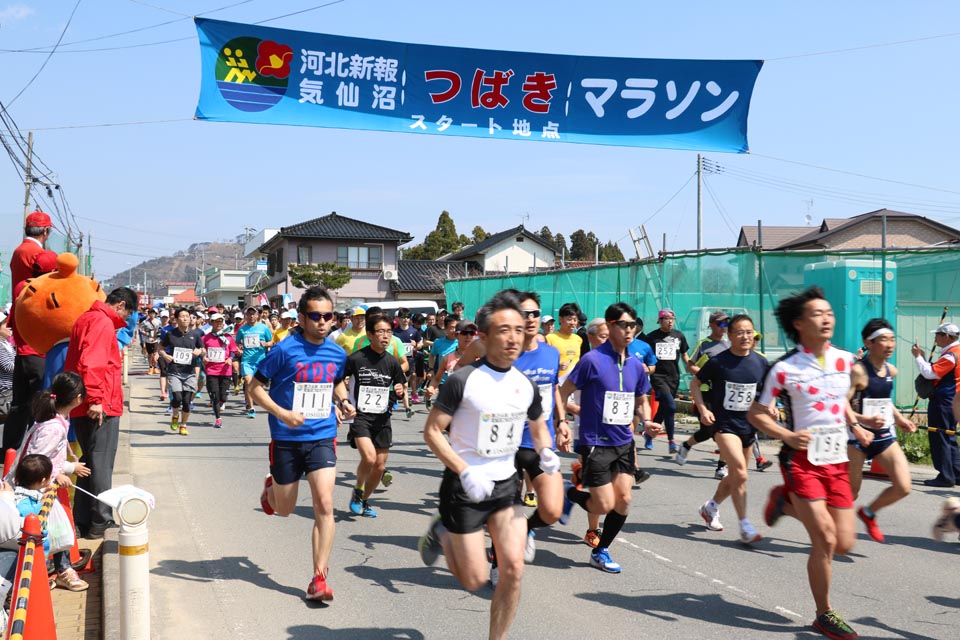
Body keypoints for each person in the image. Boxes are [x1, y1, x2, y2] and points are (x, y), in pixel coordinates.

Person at [418, 291, 556, 640]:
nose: (514, 337)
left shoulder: (524, 384)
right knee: (475, 579)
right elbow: (432, 432)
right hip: (464, 488)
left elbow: (538, 425)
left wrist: (546, 451)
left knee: (513, 568)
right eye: (504, 330)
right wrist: (464, 470)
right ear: (484, 336)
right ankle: (444, 530)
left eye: (519, 329)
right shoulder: (464, 380)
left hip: (506, 487)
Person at [748, 286, 872, 640]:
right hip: (802, 461)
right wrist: (785, 436)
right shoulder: (784, 368)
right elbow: (756, 413)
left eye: (829, 312)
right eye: (818, 314)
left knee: (846, 543)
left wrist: (858, 423)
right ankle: (824, 614)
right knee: (826, 540)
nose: (827, 318)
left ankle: (785, 503)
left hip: (837, 460)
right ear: (799, 323)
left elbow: (839, 396)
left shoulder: (846, 360)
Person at [252, 286, 353, 601]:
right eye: (316, 316)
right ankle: (271, 491)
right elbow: (254, 387)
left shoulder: (337, 353)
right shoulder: (284, 349)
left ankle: (319, 578)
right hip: (285, 439)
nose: (323, 322)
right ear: (301, 317)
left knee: (324, 504)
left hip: (322, 435)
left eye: (328, 316)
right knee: (285, 510)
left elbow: (334, 382)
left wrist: (345, 401)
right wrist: (282, 413)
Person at [558, 302, 662, 573]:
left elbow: (641, 398)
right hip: (595, 441)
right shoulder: (592, 360)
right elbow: (562, 392)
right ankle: (570, 494)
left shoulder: (636, 365)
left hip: (623, 442)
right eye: (624, 325)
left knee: (624, 500)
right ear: (610, 325)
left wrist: (647, 421)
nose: (630, 331)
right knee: (603, 503)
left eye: (633, 326)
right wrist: (562, 422)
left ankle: (601, 550)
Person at [487, 291, 571, 585]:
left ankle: (527, 528)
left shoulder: (550, 352)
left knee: (551, 509)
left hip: (539, 442)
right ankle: (498, 562)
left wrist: (561, 421)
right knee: (504, 512)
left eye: (536, 314)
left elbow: (554, 388)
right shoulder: (504, 353)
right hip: (505, 444)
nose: (531, 319)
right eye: (525, 314)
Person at [64, 287, 137, 539]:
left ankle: (83, 519)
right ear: (121, 305)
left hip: (84, 403)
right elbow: (93, 361)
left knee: (89, 463)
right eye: (128, 314)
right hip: (99, 403)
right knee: (101, 463)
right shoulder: (102, 322)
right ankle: (100, 520)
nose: (126, 320)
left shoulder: (86, 318)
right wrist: (96, 399)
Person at [691, 314, 768, 544]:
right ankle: (745, 526)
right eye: (740, 332)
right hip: (724, 426)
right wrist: (703, 410)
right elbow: (696, 383)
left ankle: (711, 507)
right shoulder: (717, 361)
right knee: (740, 474)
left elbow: (767, 392)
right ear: (730, 335)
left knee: (737, 475)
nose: (745, 336)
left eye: (749, 332)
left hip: (748, 427)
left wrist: (770, 408)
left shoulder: (761, 362)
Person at [845, 318, 917, 542]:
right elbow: (840, 405)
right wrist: (861, 422)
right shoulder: (858, 371)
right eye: (884, 339)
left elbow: (885, 401)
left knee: (904, 486)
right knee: (851, 493)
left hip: (883, 435)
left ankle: (868, 513)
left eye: (892, 339)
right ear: (869, 342)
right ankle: (829, 527)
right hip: (857, 438)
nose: (890, 344)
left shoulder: (890, 370)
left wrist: (899, 419)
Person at [344, 313, 406, 518]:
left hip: (382, 417)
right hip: (361, 416)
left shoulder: (392, 362)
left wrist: (399, 389)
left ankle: (364, 499)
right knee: (369, 458)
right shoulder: (356, 359)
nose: (385, 336)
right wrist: (342, 401)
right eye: (380, 331)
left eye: (389, 332)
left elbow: (401, 385)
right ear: (369, 334)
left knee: (379, 467)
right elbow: (337, 380)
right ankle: (359, 489)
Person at [12, 454, 89, 591]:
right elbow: (28, 516)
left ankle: (43, 580)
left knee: (39, 564)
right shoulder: (22, 499)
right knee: (33, 566)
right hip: (32, 544)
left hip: (40, 544)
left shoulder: (27, 492)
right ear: (43, 481)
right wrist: (41, 504)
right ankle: (37, 586)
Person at [566, 318, 608, 547]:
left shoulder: (620, 363)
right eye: (603, 336)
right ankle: (593, 530)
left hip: (615, 435)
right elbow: (563, 398)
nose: (608, 341)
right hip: (588, 433)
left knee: (613, 488)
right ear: (591, 338)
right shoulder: (584, 365)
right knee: (598, 485)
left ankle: (577, 478)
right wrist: (583, 410)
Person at [911, 322, 960, 487]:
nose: (935, 338)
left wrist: (918, 357)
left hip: (943, 401)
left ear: (946, 336)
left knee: (940, 438)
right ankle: (956, 473)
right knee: (949, 437)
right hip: (953, 401)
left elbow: (930, 373)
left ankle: (945, 476)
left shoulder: (950, 355)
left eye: (937, 335)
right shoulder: (955, 353)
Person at [643, 308, 690, 453]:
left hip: (674, 377)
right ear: (660, 321)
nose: (670, 322)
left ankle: (649, 434)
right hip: (658, 377)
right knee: (670, 406)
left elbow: (685, 356)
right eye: (666, 319)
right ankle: (671, 441)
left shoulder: (679, 336)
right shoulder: (651, 338)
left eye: (672, 319)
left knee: (664, 408)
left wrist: (692, 368)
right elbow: (645, 357)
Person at [159, 308, 204, 436]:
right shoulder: (170, 334)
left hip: (189, 371)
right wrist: (164, 355)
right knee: (177, 398)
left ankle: (183, 425)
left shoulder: (195, 335)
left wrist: (199, 351)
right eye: (182, 316)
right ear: (177, 319)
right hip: (175, 371)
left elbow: (202, 349)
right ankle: (175, 415)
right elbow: (160, 347)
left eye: (187, 316)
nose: (185, 318)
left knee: (186, 401)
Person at [237, 306, 275, 418]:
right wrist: (239, 349)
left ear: (257, 315)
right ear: (246, 316)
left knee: (258, 386)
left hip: (260, 361)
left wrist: (266, 344)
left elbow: (271, 341)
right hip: (247, 361)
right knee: (249, 383)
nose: (251, 316)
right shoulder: (242, 329)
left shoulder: (263, 328)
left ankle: (253, 399)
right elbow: (237, 342)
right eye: (249, 314)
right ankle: (251, 408)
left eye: (253, 314)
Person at [201, 313, 238, 428]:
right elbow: (201, 350)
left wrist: (230, 358)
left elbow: (233, 350)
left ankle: (221, 402)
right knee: (215, 396)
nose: (218, 324)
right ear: (211, 323)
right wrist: (203, 357)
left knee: (223, 397)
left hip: (225, 370)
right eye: (215, 321)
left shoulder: (227, 337)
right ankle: (218, 418)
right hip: (212, 370)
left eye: (220, 321)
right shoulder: (205, 338)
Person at [546, 302, 583, 384]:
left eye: (575, 320)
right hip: (556, 383)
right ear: (560, 319)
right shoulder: (550, 338)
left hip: (574, 384)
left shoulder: (578, 339)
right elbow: (545, 362)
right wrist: (558, 366)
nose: (573, 323)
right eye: (569, 319)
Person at [139, 308, 162, 374]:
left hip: (156, 340)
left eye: (153, 313)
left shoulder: (158, 321)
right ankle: (150, 367)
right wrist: (146, 334)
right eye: (150, 313)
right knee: (150, 354)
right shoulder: (145, 322)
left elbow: (160, 329)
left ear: (155, 314)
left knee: (155, 353)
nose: (152, 315)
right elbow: (141, 329)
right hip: (148, 340)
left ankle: (155, 367)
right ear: (148, 314)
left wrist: (157, 335)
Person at [0, 312, 13, 419]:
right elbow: (8, 366)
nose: (9, 327)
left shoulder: (6, 343)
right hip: (6, 392)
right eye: (5, 324)